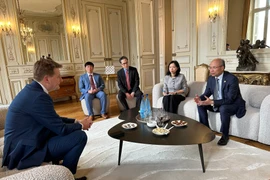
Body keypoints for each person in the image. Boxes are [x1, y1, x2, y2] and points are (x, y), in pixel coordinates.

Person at [2, 57, 91, 180]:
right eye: (58, 76)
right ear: (47, 79)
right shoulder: (38, 97)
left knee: (70, 130)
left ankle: (60, 167)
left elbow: (52, 119)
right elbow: (61, 129)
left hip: (25, 141)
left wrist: (76, 121)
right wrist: (82, 126)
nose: (61, 79)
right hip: (24, 152)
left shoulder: (33, 90)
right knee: (79, 136)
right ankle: (66, 177)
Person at [194, 58, 246, 146]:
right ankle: (206, 130)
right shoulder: (211, 79)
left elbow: (230, 99)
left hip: (233, 104)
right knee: (200, 105)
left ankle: (225, 136)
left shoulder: (232, 79)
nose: (211, 70)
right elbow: (207, 93)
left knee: (224, 108)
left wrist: (212, 102)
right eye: (210, 67)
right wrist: (200, 99)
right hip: (218, 103)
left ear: (222, 68)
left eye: (214, 67)